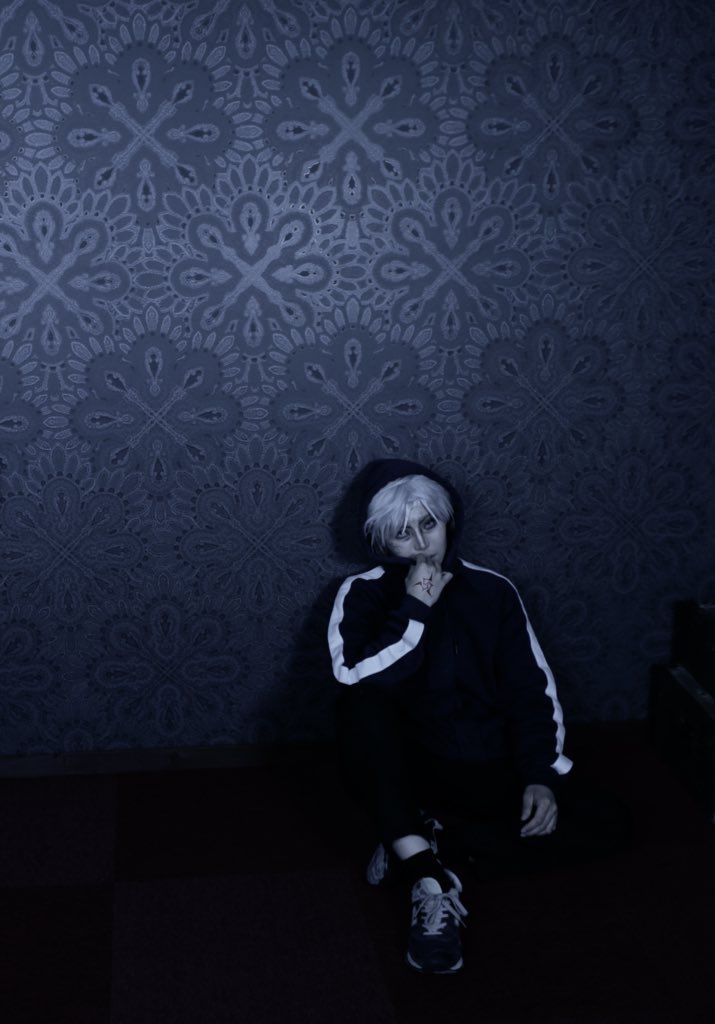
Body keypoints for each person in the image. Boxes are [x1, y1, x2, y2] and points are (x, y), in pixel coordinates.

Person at [327, 458, 575, 975]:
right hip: (410, 765)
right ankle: (429, 879)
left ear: (448, 522)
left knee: (608, 825)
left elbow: (531, 688)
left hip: (486, 764)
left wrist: (539, 776)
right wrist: (415, 609)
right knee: (359, 708)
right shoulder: (363, 591)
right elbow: (352, 677)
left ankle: (413, 840)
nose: (422, 544)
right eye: (402, 533)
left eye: (429, 524)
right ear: (380, 540)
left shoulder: (494, 590)